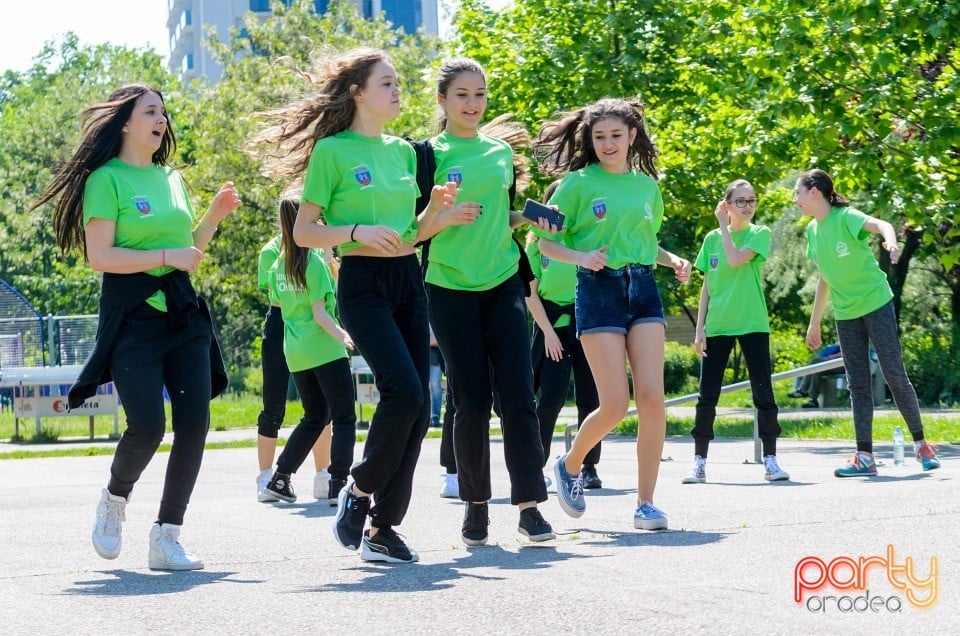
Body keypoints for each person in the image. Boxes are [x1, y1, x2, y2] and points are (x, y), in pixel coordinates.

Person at [247, 48, 455, 563]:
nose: (397, 90)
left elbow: (411, 232)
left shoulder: (405, 153)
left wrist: (438, 214)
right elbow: (304, 230)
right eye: (386, 83)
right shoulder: (333, 152)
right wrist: (356, 230)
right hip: (361, 282)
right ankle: (358, 491)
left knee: (417, 415)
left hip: (410, 279)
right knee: (404, 393)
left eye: (398, 82)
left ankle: (382, 528)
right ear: (358, 93)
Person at [34, 83, 240, 569]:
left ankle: (167, 535)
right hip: (133, 322)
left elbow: (188, 252)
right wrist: (168, 254)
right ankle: (114, 499)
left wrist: (213, 216)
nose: (161, 120)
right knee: (147, 426)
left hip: (184, 318)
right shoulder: (105, 180)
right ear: (125, 122)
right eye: (151, 111)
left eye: (163, 113)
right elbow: (101, 256)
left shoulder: (172, 178)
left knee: (195, 425)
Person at [416, 58, 555, 546]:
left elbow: (502, 215)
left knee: (518, 396)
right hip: (449, 287)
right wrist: (445, 218)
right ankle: (476, 507)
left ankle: (530, 507)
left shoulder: (500, 154)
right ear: (443, 100)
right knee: (470, 401)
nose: (472, 103)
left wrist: (532, 217)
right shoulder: (424, 155)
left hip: (503, 283)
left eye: (479, 94)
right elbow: (414, 230)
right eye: (461, 95)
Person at [533, 97, 690, 530]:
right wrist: (582, 257)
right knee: (616, 404)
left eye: (616, 135)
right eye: (599, 136)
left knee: (653, 399)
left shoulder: (647, 187)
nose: (608, 143)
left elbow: (643, 241)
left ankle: (645, 503)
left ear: (632, 136)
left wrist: (673, 260)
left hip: (643, 290)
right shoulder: (576, 185)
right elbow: (546, 245)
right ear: (590, 139)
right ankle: (569, 465)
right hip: (598, 291)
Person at [796, 168, 940, 477]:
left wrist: (891, 242)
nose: (796, 200)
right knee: (857, 383)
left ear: (815, 192)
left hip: (876, 303)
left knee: (893, 373)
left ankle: (921, 444)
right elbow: (825, 276)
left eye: (798, 193)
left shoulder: (845, 217)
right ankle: (864, 456)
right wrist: (815, 322)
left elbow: (883, 225)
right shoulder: (813, 231)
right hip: (846, 313)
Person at [684, 179, 789, 484]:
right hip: (718, 326)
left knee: (764, 395)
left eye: (752, 200)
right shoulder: (711, 239)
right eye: (740, 201)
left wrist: (724, 227)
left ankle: (770, 459)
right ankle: (698, 461)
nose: (748, 206)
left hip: (752, 323)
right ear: (727, 205)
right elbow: (707, 285)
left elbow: (734, 259)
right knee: (707, 398)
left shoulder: (760, 233)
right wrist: (699, 328)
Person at [261, 191, 357, 507]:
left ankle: (280, 478)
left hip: (296, 352)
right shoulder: (313, 264)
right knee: (343, 416)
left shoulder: (278, 265)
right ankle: (337, 484)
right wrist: (343, 335)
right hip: (324, 348)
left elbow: (279, 306)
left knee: (314, 415)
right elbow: (320, 313)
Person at [525, 182, 602, 489]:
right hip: (551, 325)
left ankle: (588, 465)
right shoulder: (535, 246)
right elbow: (531, 293)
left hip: (586, 323)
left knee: (590, 397)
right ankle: (536, 464)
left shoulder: (581, 241)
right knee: (550, 399)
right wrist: (548, 334)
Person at [256, 226, 333, 503]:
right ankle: (266, 475)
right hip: (283, 322)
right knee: (273, 403)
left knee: (322, 404)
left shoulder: (320, 247)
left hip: (315, 325)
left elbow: (330, 286)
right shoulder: (271, 252)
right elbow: (278, 295)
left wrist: (326, 255)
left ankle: (323, 474)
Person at [789, 343, 842, 408]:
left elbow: (846, 352)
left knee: (815, 361)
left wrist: (831, 357)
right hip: (838, 362)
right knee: (816, 370)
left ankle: (803, 390)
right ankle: (813, 401)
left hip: (845, 365)